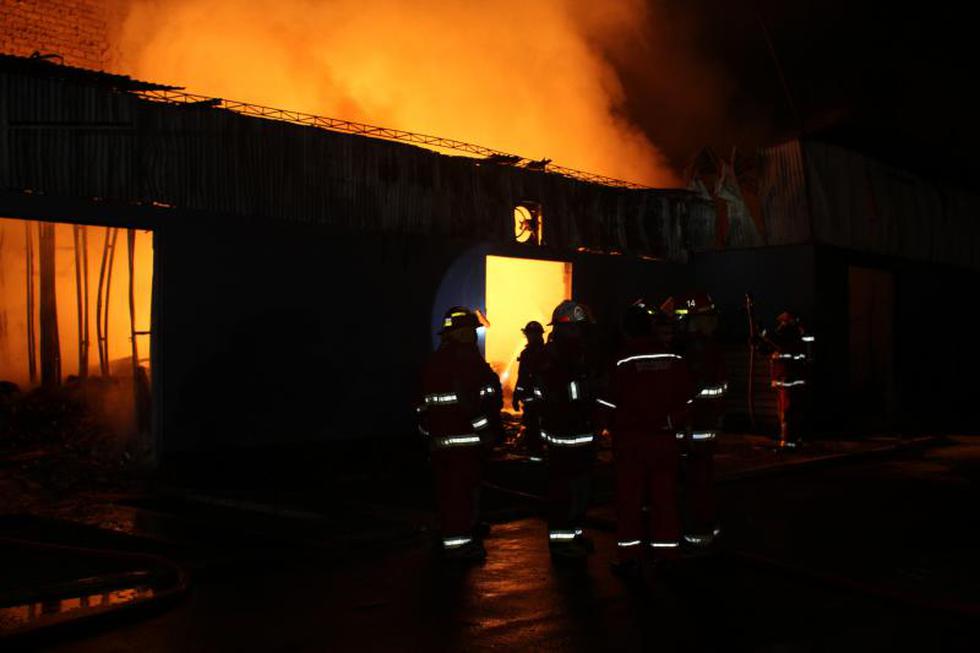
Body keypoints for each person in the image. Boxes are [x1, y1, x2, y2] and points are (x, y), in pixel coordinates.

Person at [598, 303, 693, 578]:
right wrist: (671, 423)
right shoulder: (674, 358)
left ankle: (630, 558)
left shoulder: (621, 360)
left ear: (626, 329)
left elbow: (607, 401)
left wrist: (598, 431)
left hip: (631, 443)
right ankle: (667, 555)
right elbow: (689, 400)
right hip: (664, 442)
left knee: (629, 501)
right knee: (665, 500)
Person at [418, 306, 502, 561]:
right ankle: (459, 547)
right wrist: (486, 432)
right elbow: (471, 403)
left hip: (441, 442)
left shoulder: (436, 360)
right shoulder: (465, 361)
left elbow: (422, 405)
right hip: (464, 443)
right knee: (461, 494)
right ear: (461, 333)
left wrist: (428, 434)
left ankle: (451, 533)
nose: (474, 335)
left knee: (447, 492)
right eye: (470, 330)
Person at [535, 300, 600, 560]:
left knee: (581, 489)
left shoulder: (577, 353)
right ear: (565, 329)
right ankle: (561, 543)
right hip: (563, 436)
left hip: (579, 434)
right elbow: (561, 395)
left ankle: (573, 533)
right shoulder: (555, 357)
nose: (581, 333)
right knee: (564, 490)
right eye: (577, 328)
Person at [666, 291, 727, 549]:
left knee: (688, 484)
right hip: (704, 427)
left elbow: (686, 393)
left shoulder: (692, 350)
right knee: (701, 481)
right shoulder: (708, 347)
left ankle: (692, 535)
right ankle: (704, 531)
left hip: (691, 430)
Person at [762, 311, 810, 447]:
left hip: (788, 381)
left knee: (787, 413)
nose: (781, 325)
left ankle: (788, 442)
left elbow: (778, 344)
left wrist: (764, 335)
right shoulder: (792, 338)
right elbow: (770, 349)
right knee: (785, 412)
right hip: (785, 381)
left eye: (784, 322)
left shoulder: (792, 338)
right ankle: (790, 440)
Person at [513, 320, 547, 461]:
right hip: (538, 403)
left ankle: (537, 459)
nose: (529, 337)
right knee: (535, 432)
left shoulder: (545, 353)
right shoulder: (533, 353)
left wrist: (518, 395)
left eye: (531, 334)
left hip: (541, 403)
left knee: (537, 432)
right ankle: (538, 458)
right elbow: (522, 377)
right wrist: (516, 395)